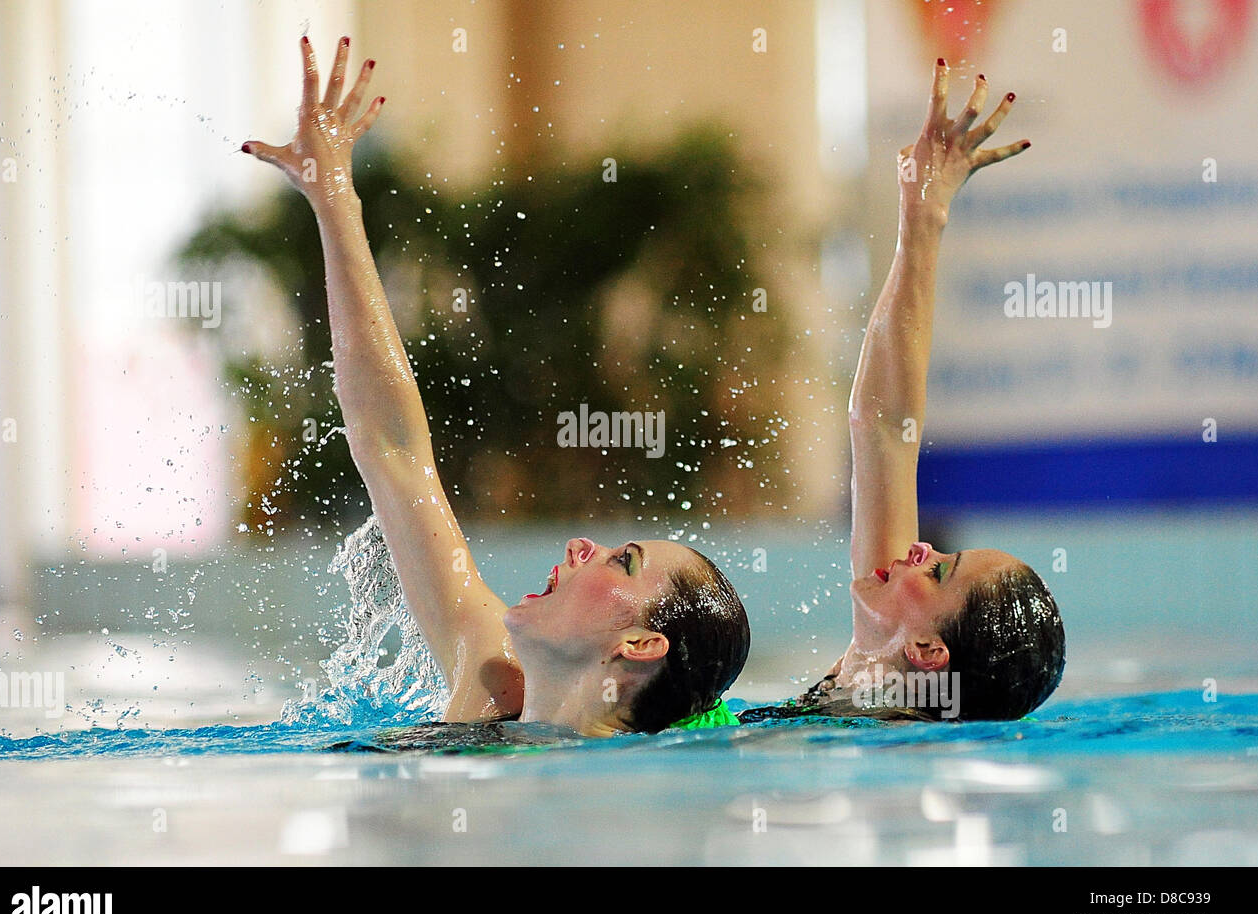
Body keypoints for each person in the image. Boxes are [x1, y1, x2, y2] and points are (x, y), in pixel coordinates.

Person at [243, 36, 749, 737]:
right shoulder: (488, 674)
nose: (582, 544)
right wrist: (334, 199)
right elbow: (391, 446)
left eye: (620, 562)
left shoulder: (624, 803)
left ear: (637, 648)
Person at [742, 59, 1064, 723]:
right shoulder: (872, 661)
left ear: (926, 652)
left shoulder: (877, 726)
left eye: (939, 570)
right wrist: (923, 216)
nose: (920, 547)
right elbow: (884, 428)